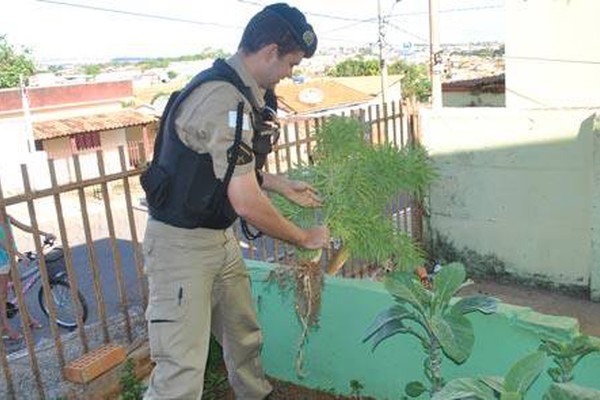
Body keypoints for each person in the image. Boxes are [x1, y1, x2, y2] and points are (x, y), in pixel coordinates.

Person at [141, 3, 329, 399]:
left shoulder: (245, 94)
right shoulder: (222, 99)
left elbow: (222, 171)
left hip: (218, 239)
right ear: (269, 52)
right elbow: (244, 201)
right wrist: (303, 237)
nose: (290, 74)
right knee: (181, 369)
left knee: (242, 336)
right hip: (181, 246)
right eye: (290, 63)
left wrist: (279, 184)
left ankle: (255, 395)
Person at [0, 214, 47, 340]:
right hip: (1, 261)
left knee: (18, 290)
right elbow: (2, 243)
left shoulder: (6, 216)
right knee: (3, 295)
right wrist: (19, 254)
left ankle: (27, 318)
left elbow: (25, 227)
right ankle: (5, 328)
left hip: (10, 258)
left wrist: (44, 233)